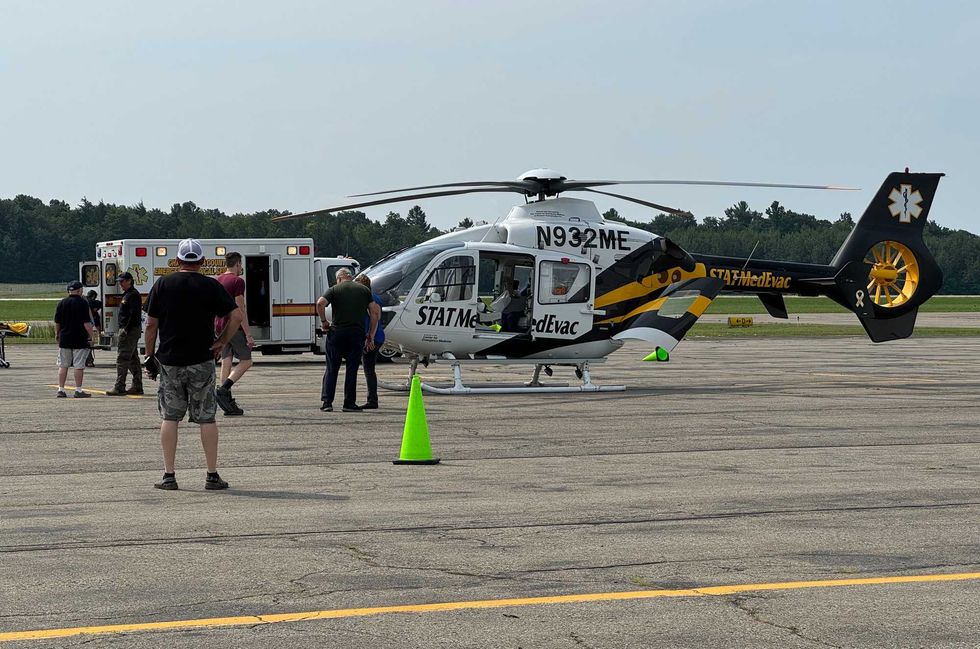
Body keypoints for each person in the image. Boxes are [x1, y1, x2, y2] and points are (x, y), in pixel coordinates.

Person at [144, 238, 242, 491]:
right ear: (202, 261)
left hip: (170, 361)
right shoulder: (211, 285)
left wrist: (149, 354)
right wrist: (221, 342)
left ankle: (169, 475)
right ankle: (211, 475)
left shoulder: (163, 284)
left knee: (170, 417)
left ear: (177, 260)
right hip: (201, 359)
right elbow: (236, 315)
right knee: (207, 418)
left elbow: (151, 324)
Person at [316, 267, 378, 412]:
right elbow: (374, 313)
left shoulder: (334, 289)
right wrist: (370, 334)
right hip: (356, 334)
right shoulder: (364, 290)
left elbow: (320, 303)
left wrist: (324, 321)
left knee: (332, 368)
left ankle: (327, 402)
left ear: (339, 278)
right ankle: (349, 403)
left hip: (337, 333)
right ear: (350, 276)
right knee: (352, 369)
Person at [214, 252, 254, 416]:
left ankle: (227, 403)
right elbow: (240, 309)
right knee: (247, 361)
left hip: (219, 326)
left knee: (226, 361)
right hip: (233, 327)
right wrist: (248, 334)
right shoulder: (238, 281)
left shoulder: (218, 279)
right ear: (237, 264)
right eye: (240, 264)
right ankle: (224, 389)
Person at [54, 281, 95, 398]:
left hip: (65, 338)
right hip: (79, 338)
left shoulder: (62, 303)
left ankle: (61, 389)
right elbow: (86, 323)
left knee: (63, 365)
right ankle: (78, 390)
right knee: (78, 365)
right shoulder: (83, 303)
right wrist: (92, 336)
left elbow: (57, 322)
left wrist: (57, 334)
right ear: (79, 290)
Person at [106, 272, 144, 396]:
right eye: (119, 282)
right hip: (130, 329)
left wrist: (126, 329)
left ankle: (119, 386)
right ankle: (137, 386)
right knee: (133, 359)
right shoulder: (127, 294)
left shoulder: (132, 295)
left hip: (130, 330)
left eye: (122, 281)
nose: (120, 284)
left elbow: (134, 314)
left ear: (129, 281)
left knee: (122, 358)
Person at [354, 274, 385, 410]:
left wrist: (370, 337)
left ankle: (372, 400)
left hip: (373, 338)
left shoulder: (369, 298)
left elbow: (375, 318)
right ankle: (372, 398)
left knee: (369, 369)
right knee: (369, 368)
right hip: (377, 336)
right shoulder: (375, 297)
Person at [84, 290, 102, 367]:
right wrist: (99, 334)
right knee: (88, 345)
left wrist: (99, 333)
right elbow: (101, 303)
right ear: (93, 296)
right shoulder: (89, 302)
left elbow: (97, 324)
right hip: (85, 329)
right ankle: (89, 361)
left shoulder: (94, 313)